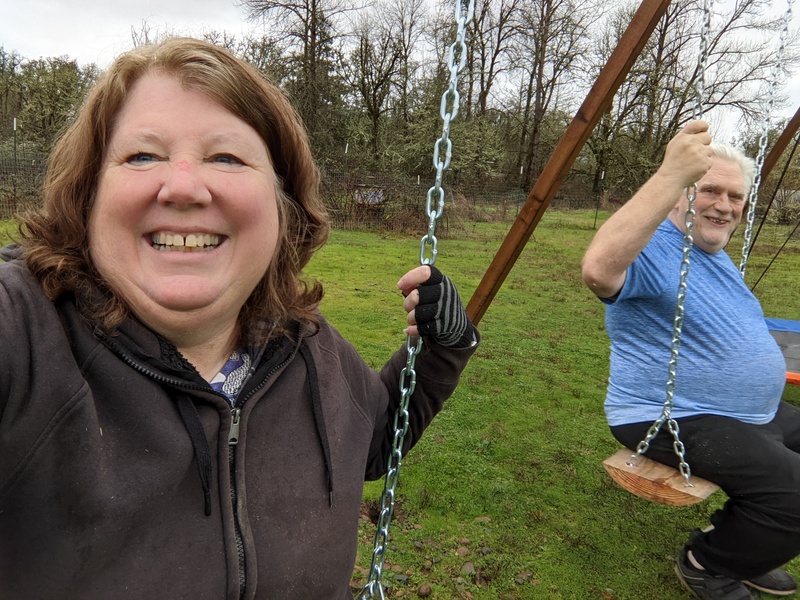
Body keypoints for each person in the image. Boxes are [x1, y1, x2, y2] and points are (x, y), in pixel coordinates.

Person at [0, 37, 479, 600]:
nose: (181, 186)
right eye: (142, 155)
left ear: (283, 205)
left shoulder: (306, 344)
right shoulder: (25, 336)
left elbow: (373, 445)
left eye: (226, 157)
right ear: (88, 194)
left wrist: (445, 346)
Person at [582, 120, 800, 600]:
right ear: (681, 195)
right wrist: (669, 174)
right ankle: (708, 563)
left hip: (747, 411)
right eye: (710, 191)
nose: (724, 206)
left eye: (735, 197)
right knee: (795, 493)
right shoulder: (656, 245)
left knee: (784, 493)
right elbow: (599, 270)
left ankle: (748, 545)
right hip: (669, 416)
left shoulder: (712, 252)